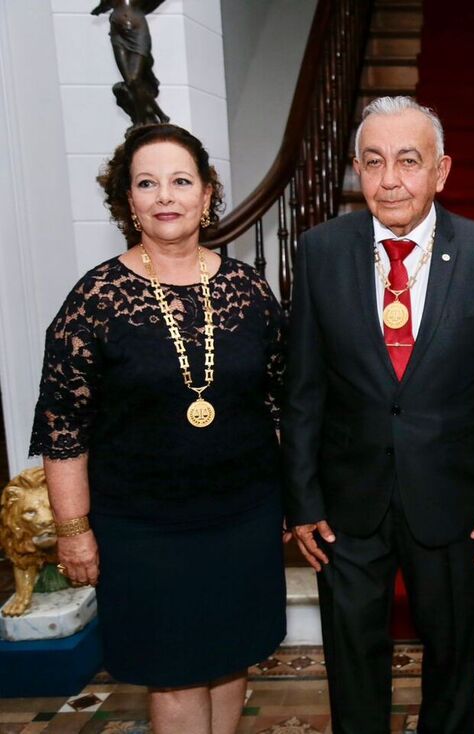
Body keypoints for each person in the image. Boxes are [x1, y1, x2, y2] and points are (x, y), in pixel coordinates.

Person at [30, 123, 286, 734]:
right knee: (174, 671)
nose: (165, 196)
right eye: (147, 183)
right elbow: (64, 426)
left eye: (180, 181)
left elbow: (279, 401)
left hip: (244, 515)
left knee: (231, 659)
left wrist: (289, 498)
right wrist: (73, 530)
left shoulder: (247, 289)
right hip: (144, 528)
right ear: (128, 200)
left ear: (206, 193)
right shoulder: (96, 298)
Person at [282, 96, 474, 734]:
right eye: (374, 161)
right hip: (347, 502)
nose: (390, 179)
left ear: (441, 171)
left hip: (451, 497)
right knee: (352, 658)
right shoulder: (319, 251)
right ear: (357, 170)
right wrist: (302, 500)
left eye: (408, 161)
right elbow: (303, 387)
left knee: (453, 657)